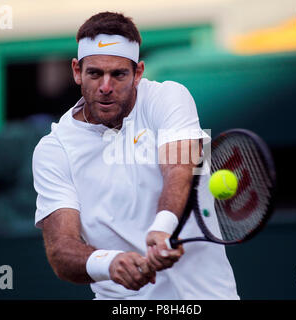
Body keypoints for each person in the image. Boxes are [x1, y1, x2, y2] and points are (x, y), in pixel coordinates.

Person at [32, 11, 239, 299]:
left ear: (138, 73)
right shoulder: (53, 150)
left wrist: (162, 227)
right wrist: (109, 263)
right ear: (77, 71)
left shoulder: (170, 97)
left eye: (118, 74)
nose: (105, 87)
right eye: (95, 73)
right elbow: (61, 250)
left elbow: (179, 168)